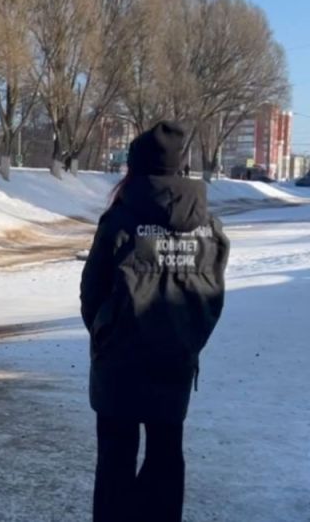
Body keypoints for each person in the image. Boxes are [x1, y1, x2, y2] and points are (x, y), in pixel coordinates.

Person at [80, 121, 230, 522]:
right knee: (166, 455)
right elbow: (213, 296)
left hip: (119, 362)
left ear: (134, 168)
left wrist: (107, 332)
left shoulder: (120, 220)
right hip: (175, 360)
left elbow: (92, 292)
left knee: (115, 460)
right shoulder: (210, 227)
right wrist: (186, 340)